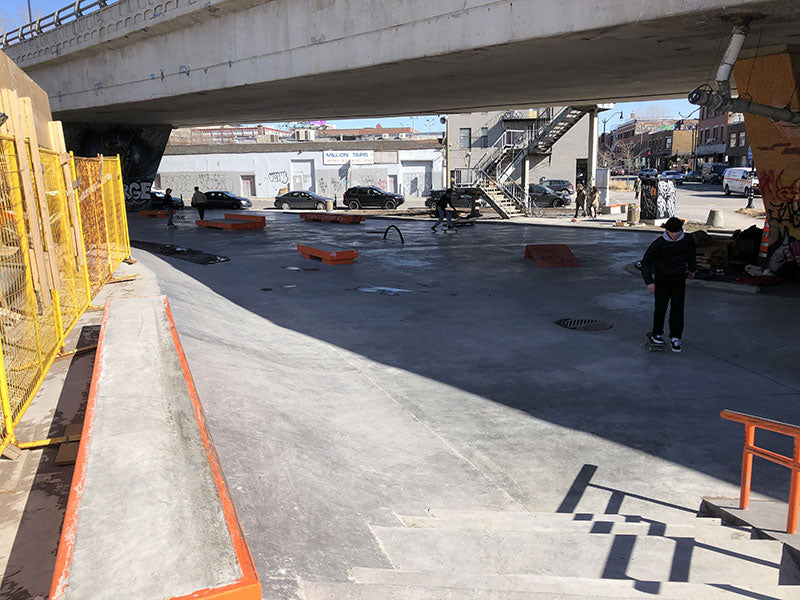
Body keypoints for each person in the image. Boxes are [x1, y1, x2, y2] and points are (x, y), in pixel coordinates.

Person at [640, 217, 697, 353]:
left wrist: (692, 269)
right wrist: (649, 282)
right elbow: (646, 262)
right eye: (672, 232)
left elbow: (691, 255)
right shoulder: (659, 243)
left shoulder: (687, 240)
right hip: (662, 279)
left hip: (678, 278)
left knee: (678, 308)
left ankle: (676, 337)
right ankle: (657, 333)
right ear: (666, 230)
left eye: (677, 232)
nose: (675, 235)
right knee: (661, 307)